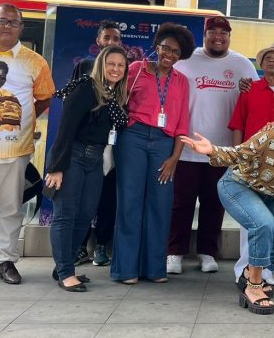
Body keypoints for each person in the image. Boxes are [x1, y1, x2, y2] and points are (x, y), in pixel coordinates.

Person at [181, 101, 274, 315]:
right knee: (263, 224)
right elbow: (240, 153)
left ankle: (250, 273)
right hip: (238, 185)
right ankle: (254, 287)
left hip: (272, 196)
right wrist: (212, 150)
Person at [166, 16, 258, 275]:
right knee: (181, 204)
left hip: (223, 151)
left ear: (230, 37)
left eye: (224, 33)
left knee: (214, 204)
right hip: (186, 147)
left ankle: (207, 252)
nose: (218, 37)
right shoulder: (186, 60)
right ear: (204, 34)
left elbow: (253, 98)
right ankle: (174, 252)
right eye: (212, 32)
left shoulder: (242, 64)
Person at [110, 23, 195, 284]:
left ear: (181, 56)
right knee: (129, 203)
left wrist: (174, 158)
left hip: (164, 144)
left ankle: (154, 268)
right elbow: (119, 102)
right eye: (165, 48)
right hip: (133, 139)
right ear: (157, 46)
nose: (169, 54)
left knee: (160, 204)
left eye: (175, 52)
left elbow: (182, 124)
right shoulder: (135, 70)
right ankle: (126, 270)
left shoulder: (182, 81)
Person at [45, 46, 129, 291]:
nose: (115, 69)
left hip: (94, 160)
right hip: (72, 156)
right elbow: (66, 129)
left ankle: (64, 265)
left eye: (120, 65)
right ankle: (65, 272)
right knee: (66, 214)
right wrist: (57, 167)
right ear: (101, 64)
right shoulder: (85, 88)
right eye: (111, 63)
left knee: (85, 214)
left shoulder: (114, 95)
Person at [228, 43, 274, 286]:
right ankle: (243, 268)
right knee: (250, 217)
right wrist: (237, 156)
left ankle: (267, 268)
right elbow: (238, 123)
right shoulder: (249, 89)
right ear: (261, 64)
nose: (271, 62)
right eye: (267, 58)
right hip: (251, 162)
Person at [0, 3, 55, 285]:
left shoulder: (35, 61)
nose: (6, 26)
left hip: (13, 149)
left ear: (21, 27)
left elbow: (44, 97)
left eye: (12, 22)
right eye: (1, 20)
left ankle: (6, 260)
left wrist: (22, 123)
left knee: (11, 207)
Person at [71, 19, 123, 267]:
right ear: (98, 41)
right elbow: (71, 104)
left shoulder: (123, 71)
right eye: (107, 38)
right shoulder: (84, 67)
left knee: (108, 197)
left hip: (111, 145)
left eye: (116, 39)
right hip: (83, 146)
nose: (111, 42)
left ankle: (102, 245)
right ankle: (79, 247)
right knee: (82, 198)